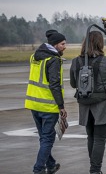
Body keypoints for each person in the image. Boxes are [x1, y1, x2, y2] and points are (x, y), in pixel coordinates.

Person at [69, 30, 106, 174]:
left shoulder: (76, 61)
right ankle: (95, 170)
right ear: (100, 43)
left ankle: (94, 168)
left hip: (85, 106)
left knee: (91, 137)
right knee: (100, 139)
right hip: (102, 106)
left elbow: (72, 84)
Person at [25, 30, 67, 174]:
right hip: (48, 106)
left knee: (43, 138)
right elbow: (54, 85)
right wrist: (61, 106)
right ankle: (38, 169)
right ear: (55, 45)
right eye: (62, 44)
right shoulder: (53, 60)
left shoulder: (34, 57)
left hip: (33, 104)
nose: (65, 47)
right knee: (48, 140)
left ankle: (51, 165)